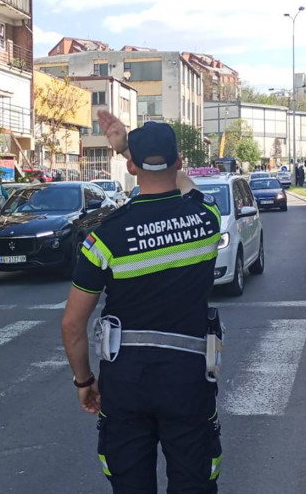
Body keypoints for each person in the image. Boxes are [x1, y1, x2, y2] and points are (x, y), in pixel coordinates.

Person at [61, 112, 223, 493]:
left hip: (126, 384)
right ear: (179, 161)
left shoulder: (106, 237)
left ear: (131, 168)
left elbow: (72, 324)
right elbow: (186, 185)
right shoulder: (207, 219)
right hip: (188, 378)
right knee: (194, 483)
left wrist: (85, 381)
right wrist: (130, 150)